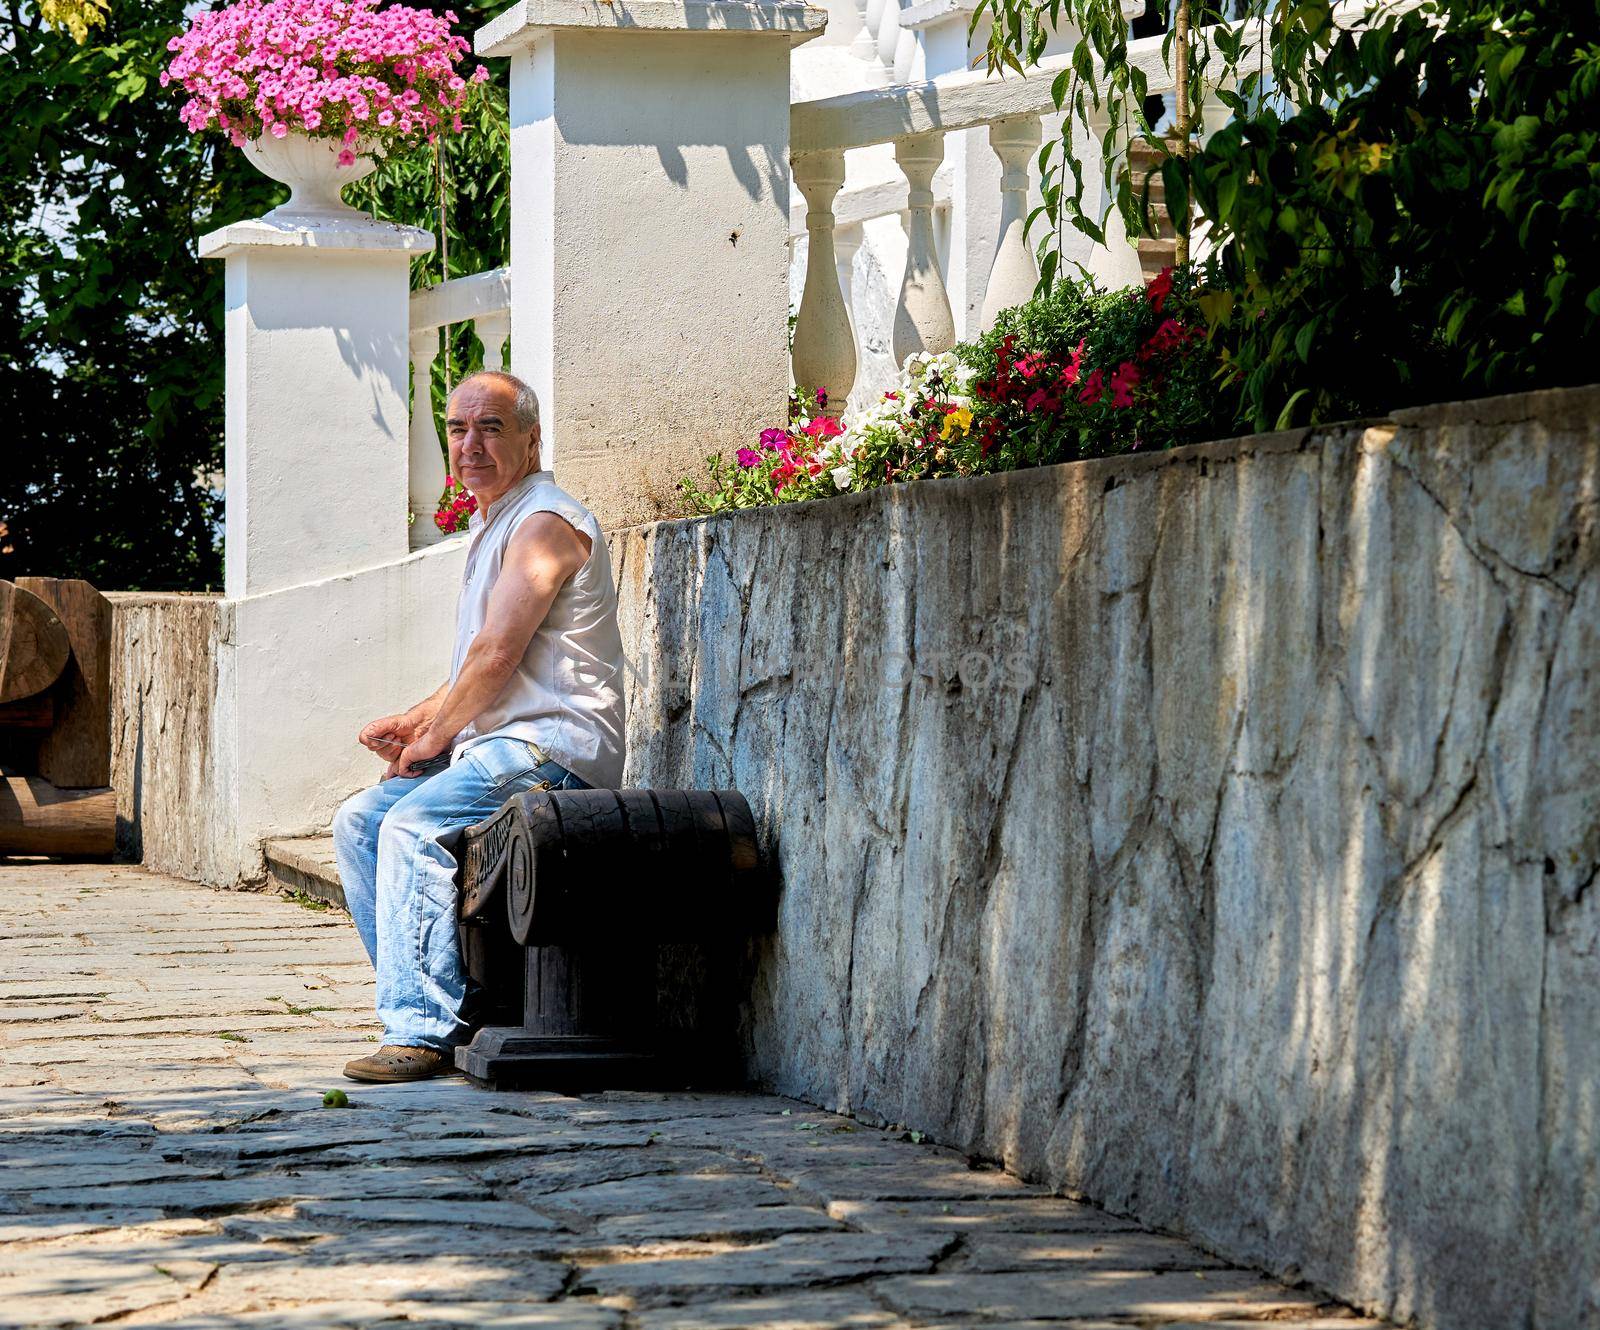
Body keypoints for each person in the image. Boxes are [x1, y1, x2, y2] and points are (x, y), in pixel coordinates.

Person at [332, 369, 625, 1083]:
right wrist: (418, 720)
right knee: (362, 822)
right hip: (501, 746)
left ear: (531, 440)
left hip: (555, 747)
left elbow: (497, 657)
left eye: (491, 428)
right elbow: (479, 664)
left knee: (411, 825)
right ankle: (449, 1005)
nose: (471, 444)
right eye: (459, 429)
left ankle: (420, 1030)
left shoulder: (544, 524)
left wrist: (433, 742)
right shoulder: (497, 523)